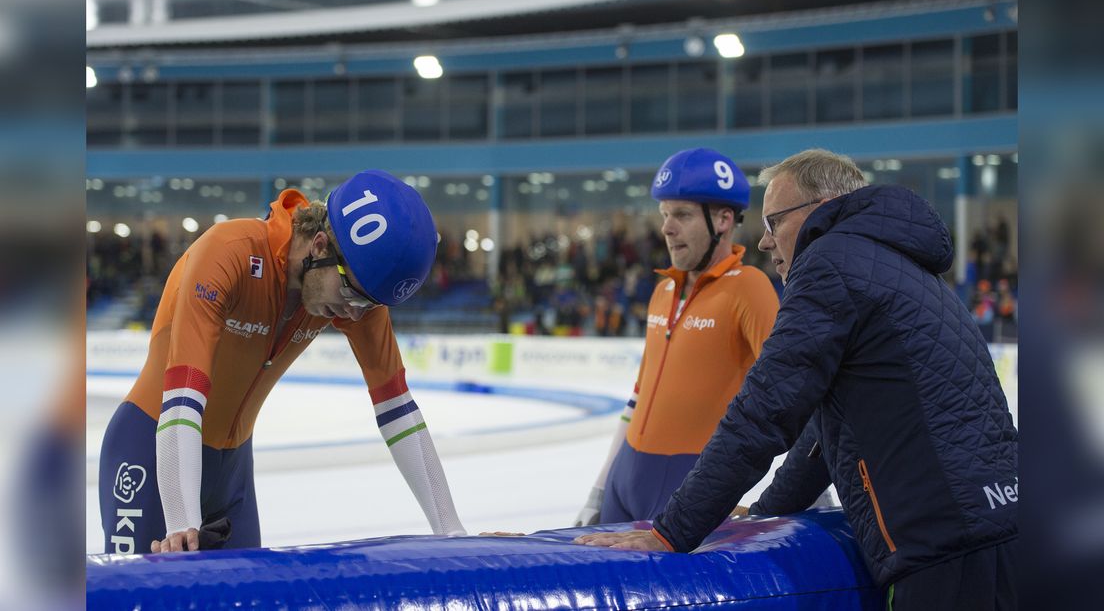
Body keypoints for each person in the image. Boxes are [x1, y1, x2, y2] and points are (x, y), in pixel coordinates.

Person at [576, 149, 1018, 610]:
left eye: (773, 222)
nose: (765, 242)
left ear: (819, 211)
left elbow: (765, 411)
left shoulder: (830, 264)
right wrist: (768, 512)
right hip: (1004, 523)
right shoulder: (903, 269)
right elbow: (822, 433)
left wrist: (671, 531)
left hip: (944, 547)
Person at [98, 170, 467, 554]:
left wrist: (452, 532)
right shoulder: (229, 252)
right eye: (352, 297)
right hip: (151, 444)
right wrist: (181, 525)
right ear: (319, 246)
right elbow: (182, 396)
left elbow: (397, 407)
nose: (355, 316)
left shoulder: (352, 284)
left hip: (232, 470)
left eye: (368, 305)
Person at [573, 148, 779, 526]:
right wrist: (600, 489)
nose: (667, 228)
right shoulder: (663, 290)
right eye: (665, 214)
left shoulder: (749, 288)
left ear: (723, 219)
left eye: (682, 215)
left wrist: (814, 495)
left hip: (688, 487)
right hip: (625, 479)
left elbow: (796, 391)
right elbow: (637, 397)